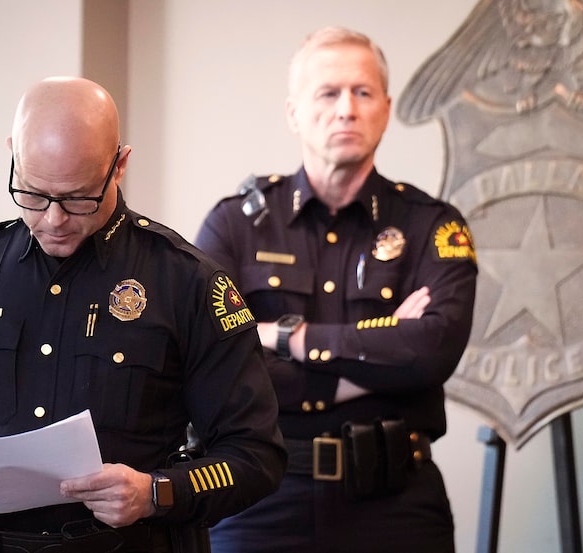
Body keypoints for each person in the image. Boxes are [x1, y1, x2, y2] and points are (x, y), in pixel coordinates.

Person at [0, 76, 286, 553]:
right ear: (13, 154)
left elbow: (256, 455)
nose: (54, 219)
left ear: (119, 166)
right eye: (32, 194)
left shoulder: (187, 281)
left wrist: (157, 492)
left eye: (78, 198)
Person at [195, 27, 477, 553]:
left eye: (362, 92)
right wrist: (382, 351)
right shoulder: (234, 226)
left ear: (386, 109)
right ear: (294, 112)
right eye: (327, 93)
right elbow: (217, 369)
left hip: (395, 505)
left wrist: (286, 338)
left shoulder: (431, 228)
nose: (346, 108)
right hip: (257, 500)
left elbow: (431, 354)